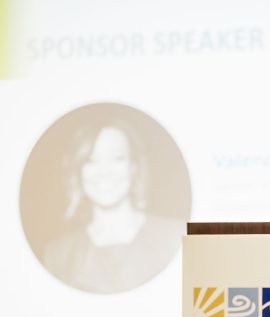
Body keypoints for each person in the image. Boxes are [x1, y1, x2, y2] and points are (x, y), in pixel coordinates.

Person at [43, 120, 185, 293]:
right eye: (91, 160)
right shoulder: (58, 256)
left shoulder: (177, 237)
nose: (104, 171)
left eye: (117, 159)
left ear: (134, 167)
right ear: (78, 170)